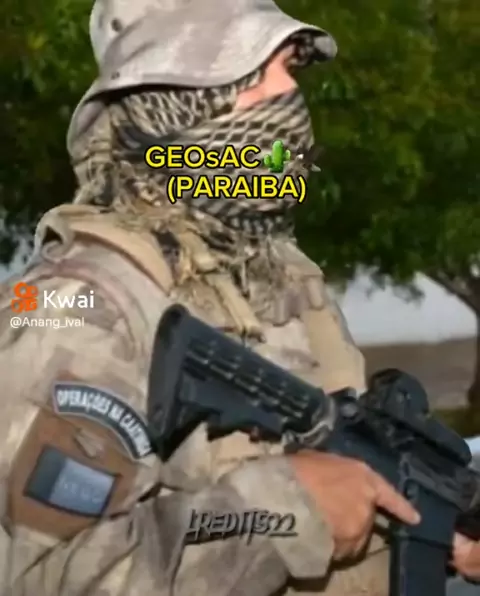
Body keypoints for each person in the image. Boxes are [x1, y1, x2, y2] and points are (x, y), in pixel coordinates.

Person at [0, 0, 475, 594]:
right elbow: (52, 576)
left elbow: (339, 484)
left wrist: (431, 528)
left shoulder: (281, 276)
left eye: (290, 70)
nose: (291, 97)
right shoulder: (74, 305)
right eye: (258, 75)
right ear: (175, 105)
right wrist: (284, 513)